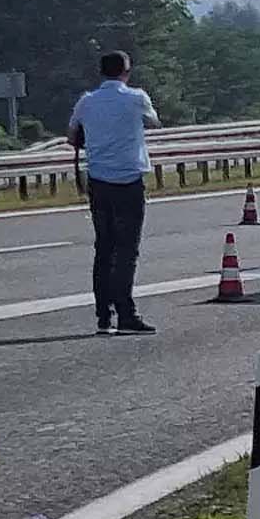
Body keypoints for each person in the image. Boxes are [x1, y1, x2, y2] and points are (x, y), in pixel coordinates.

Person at [68, 51, 160, 335]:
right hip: (129, 181)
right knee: (126, 250)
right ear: (126, 72)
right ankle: (126, 314)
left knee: (104, 248)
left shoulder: (86, 101)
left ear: (101, 72)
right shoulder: (137, 98)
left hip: (99, 182)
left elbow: (72, 136)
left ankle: (103, 316)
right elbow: (154, 122)